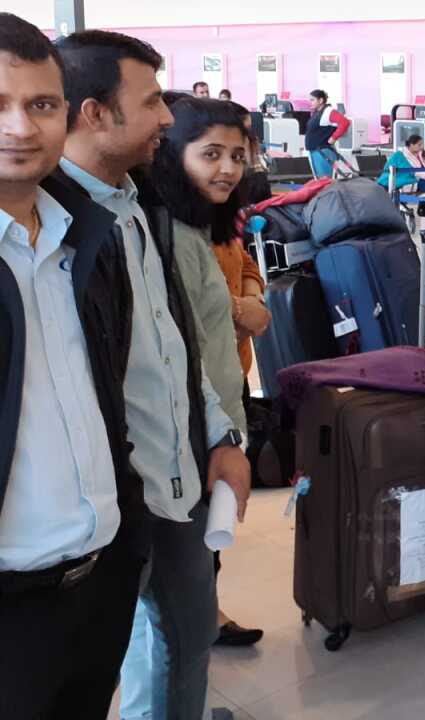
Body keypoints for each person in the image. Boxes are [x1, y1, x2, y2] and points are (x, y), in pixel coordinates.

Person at [56, 29, 252, 720]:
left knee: (185, 636)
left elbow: (173, 347)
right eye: (149, 104)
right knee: (104, 662)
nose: (167, 119)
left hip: (178, 479)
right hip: (105, 503)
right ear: (95, 114)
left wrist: (222, 434)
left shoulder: (136, 208)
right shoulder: (54, 226)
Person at [0, 14, 146, 717]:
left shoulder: (87, 236)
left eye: (40, 104)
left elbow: (107, 392)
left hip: (98, 586)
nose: (22, 128)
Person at [151, 96, 270, 653]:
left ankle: (208, 623)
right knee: (176, 589)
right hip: (194, 421)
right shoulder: (162, 232)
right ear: (175, 154)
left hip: (227, 396)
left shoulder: (213, 219)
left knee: (205, 549)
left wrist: (249, 299)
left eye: (238, 155)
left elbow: (245, 262)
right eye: (212, 154)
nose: (228, 167)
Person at [303, 89, 350, 179]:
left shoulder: (328, 111)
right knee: (320, 181)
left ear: (321, 100)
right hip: (315, 151)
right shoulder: (317, 112)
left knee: (325, 181)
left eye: (313, 100)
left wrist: (334, 137)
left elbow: (345, 122)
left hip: (323, 152)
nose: (311, 102)